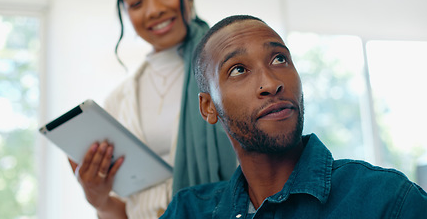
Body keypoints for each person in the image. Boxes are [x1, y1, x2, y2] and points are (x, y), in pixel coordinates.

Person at [161, 15, 427, 218]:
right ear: (208, 107)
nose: (270, 83)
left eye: (279, 59)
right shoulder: (188, 210)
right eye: (239, 69)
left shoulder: (388, 200)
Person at [67, 0, 236, 218]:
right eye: (136, 3)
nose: (154, 10)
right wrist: (99, 199)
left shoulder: (229, 72)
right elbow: (127, 212)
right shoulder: (119, 101)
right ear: (126, 14)